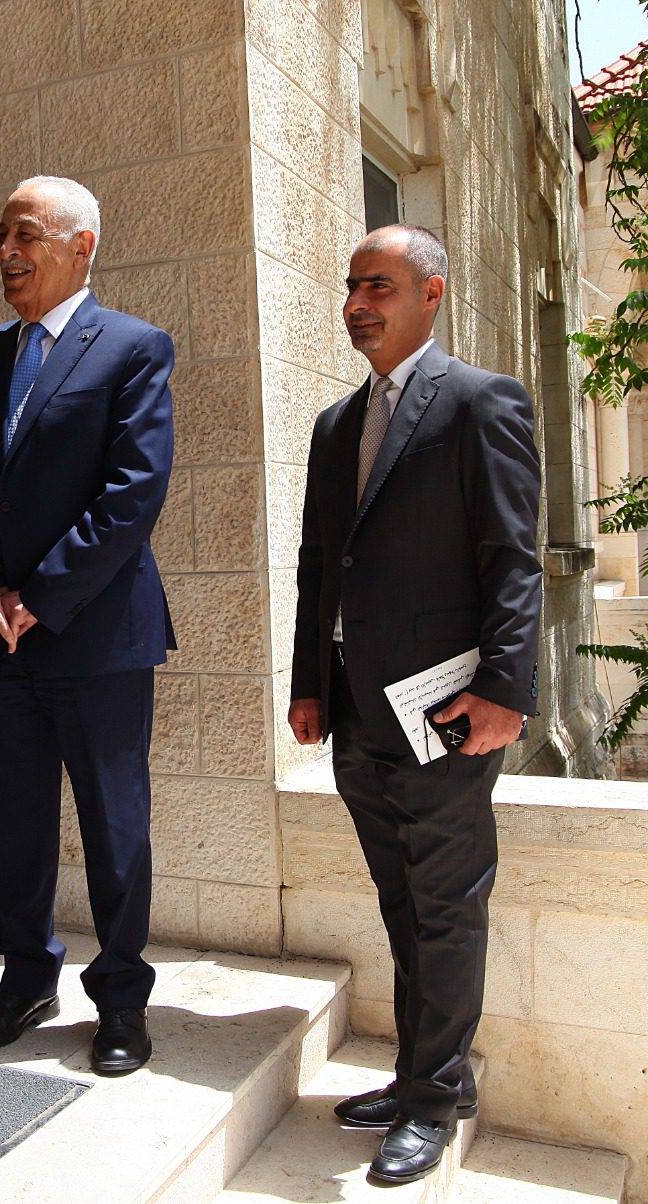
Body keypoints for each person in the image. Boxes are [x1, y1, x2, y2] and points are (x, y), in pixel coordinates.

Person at [288, 225, 541, 1184]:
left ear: (431, 293)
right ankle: (423, 1075)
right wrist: (310, 682)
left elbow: (511, 558)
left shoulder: (480, 402)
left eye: (379, 287)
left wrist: (505, 691)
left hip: (449, 708)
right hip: (357, 707)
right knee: (402, 902)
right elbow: (320, 566)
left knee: (446, 905)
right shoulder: (334, 426)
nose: (358, 304)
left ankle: (432, 1104)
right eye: (352, 287)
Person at [0, 176, 175, 1075]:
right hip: (0, 642)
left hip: (97, 637)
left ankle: (121, 1000)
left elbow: (133, 492)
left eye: (24, 234)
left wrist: (41, 595)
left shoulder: (135, 349)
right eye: (1, 234)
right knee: (15, 823)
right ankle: (26, 977)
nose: (5, 251)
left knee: (115, 826)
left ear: (82, 246)